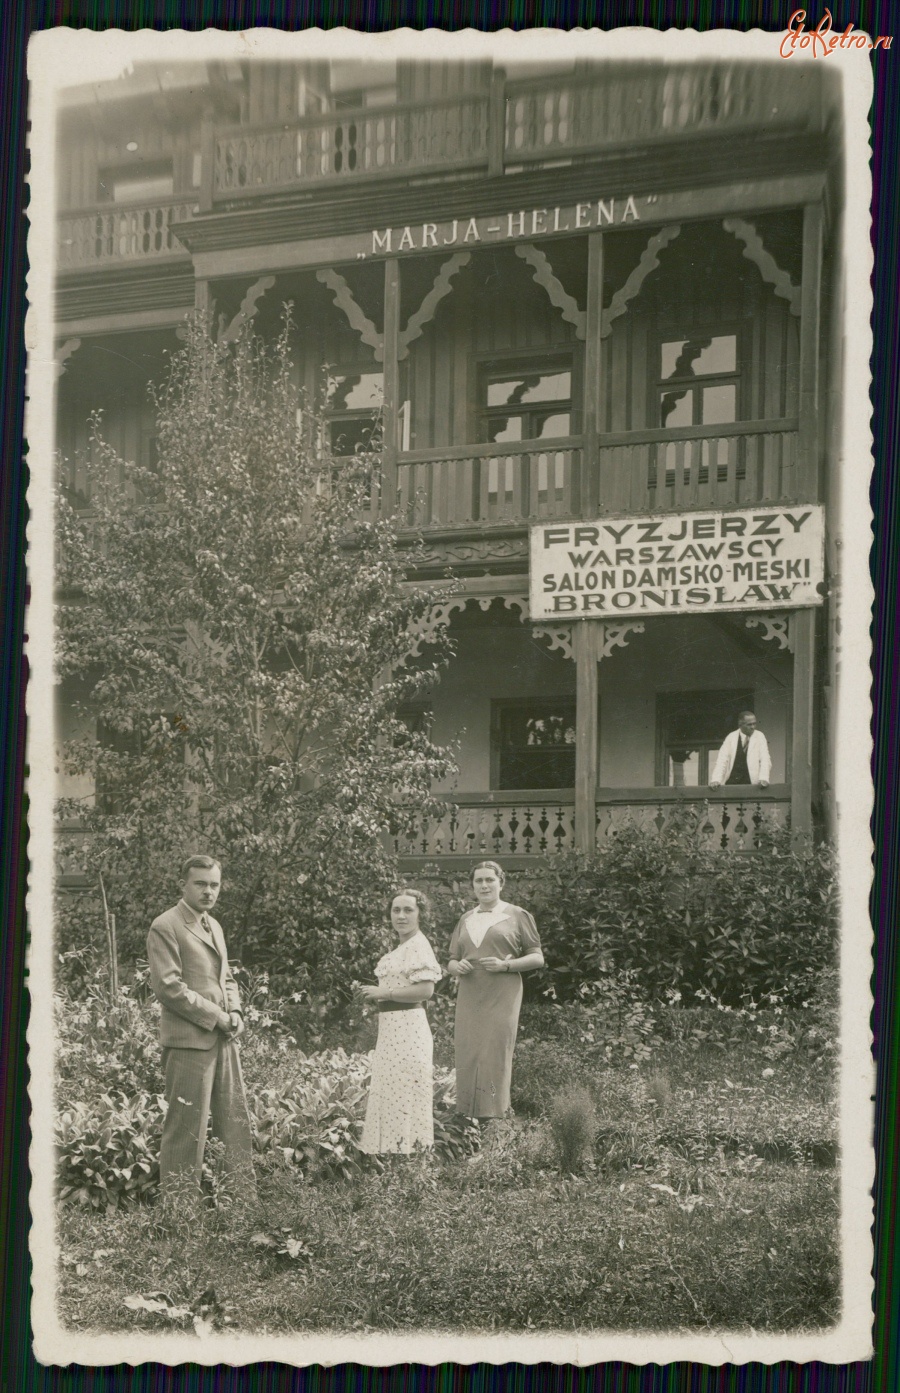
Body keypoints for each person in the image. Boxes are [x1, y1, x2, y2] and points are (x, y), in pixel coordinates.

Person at [147, 854, 255, 1198]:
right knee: (185, 1129)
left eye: (214, 885)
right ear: (183, 885)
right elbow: (170, 988)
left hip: (225, 1038)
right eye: (200, 884)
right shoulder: (165, 925)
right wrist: (219, 1017)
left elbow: (227, 977)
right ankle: (180, 1215)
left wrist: (236, 1012)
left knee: (234, 1123)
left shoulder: (214, 925)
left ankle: (239, 1206)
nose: (208, 891)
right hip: (189, 1042)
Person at [448, 861, 544, 1120]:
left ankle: (495, 1118)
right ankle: (467, 1117)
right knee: (468, 1050)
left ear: (501, 882)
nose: (484, 885)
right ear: (472, 886)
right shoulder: (465, 918)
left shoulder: (518, 915)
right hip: (470, 993)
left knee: (495, 1052)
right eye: (478, 881)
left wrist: (506, 965)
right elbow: (451, 960)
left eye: (490, 880)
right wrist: (458, 966)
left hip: (503, 991)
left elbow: (537, 958)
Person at [358, 888, 443, 1155]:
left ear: (421, 914)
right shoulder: (404, 947)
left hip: (410, 1029)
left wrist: (385, 993)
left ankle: (410, 1161)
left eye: (408, 910)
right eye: (396, 910)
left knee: (405, 1094)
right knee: (392, 1093)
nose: (401, 916)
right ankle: (393, 1160)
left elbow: (426, 991)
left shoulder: (419, 945)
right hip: (393, 1030)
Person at [709, 709, 772, 789]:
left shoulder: (760, 736)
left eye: (754, 724)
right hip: (732, 784)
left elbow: (765, 759)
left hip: (752, 785)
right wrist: (716, 780)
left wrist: (764, 778)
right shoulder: (731, 737)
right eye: (749, 724)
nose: (753, 727)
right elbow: (722, 760)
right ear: (740, 724)